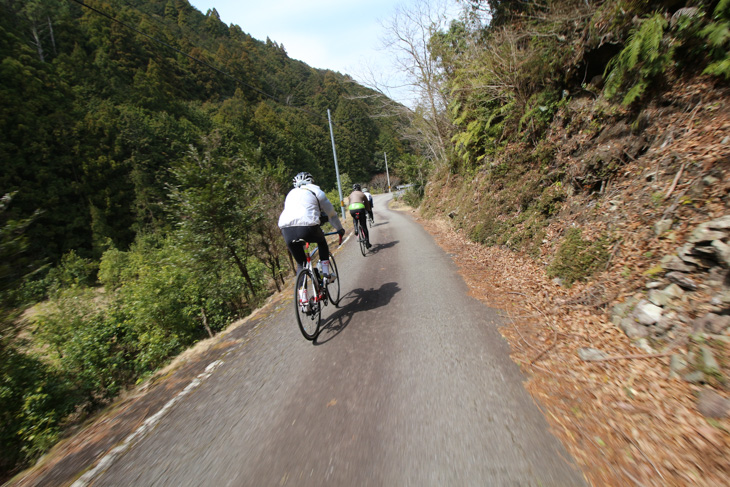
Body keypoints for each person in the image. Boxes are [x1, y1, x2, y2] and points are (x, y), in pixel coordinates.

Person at [278, 172, 345, 279]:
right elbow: (332, 215)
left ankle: (302, 294)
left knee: (301, 264)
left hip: (286, 229)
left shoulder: (290, 194)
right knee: (321, 241)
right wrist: (340, 229)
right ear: (311, 182)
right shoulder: (317, 192)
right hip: (308, 226)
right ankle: (326, 273)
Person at [346, 183, 372, 248]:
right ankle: (367, 243)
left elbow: (349, 203)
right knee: (364, 226)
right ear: (360, 188)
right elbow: (367, 204)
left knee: (355, 219)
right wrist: (368, 210)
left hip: (352, 209)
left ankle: (356, 229)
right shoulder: (362, 194)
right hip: (360, 208)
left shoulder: (351, 195)